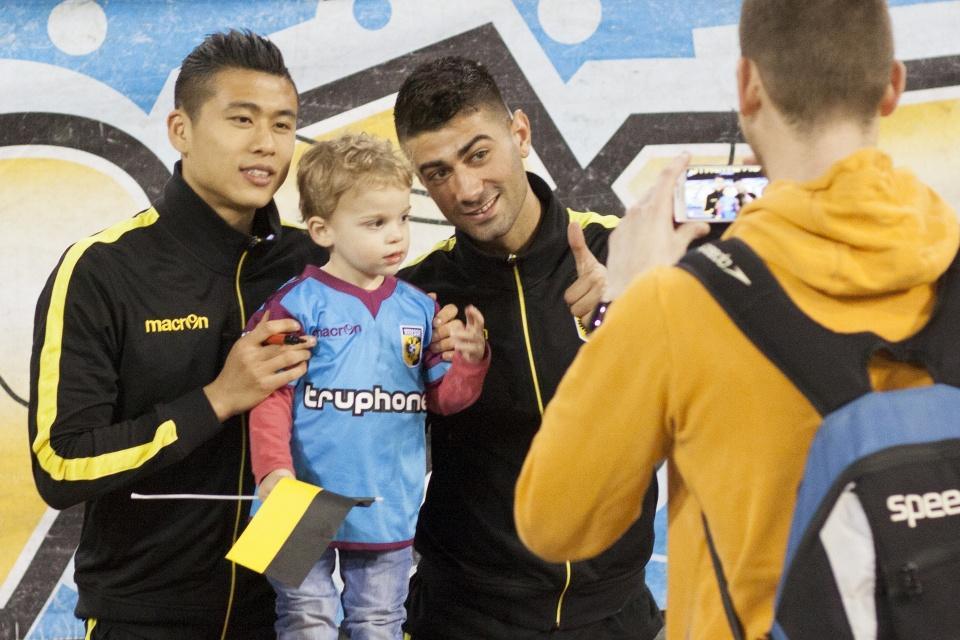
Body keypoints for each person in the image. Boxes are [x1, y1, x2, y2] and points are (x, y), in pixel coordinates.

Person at [515, 1, 958, 638]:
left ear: (748, 85)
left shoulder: (679, 306)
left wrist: (627, 303)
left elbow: (554, 520)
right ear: (892, 86)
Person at [28, 30, 328, 639]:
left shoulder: (317, 265)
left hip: (285, 615)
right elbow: (60, 463)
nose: (266, 143)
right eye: (241, 119)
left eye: (283, 124)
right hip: (143, 618)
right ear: (181, 130)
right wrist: (217, 399)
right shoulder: (102, 268)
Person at [394, 57, 663, 640]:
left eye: (478, 154)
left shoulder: (624, 254)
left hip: (615, 614)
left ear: (519, 133)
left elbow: (713, 402)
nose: (465, 190)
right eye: (437, 173)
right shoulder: (413, 298)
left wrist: (631, 319)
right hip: (463, 617)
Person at [248, 133, 490, 640]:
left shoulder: (420, 308)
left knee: (380, 623)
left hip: (387, 501)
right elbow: (269, 395)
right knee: (305, 620)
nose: (396, 235)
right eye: (375, 223)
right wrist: (272, 472)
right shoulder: (293, 304)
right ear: (322, 229)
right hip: (292, 501)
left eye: (403, 217)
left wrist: (470, 362)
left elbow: (444, 400)